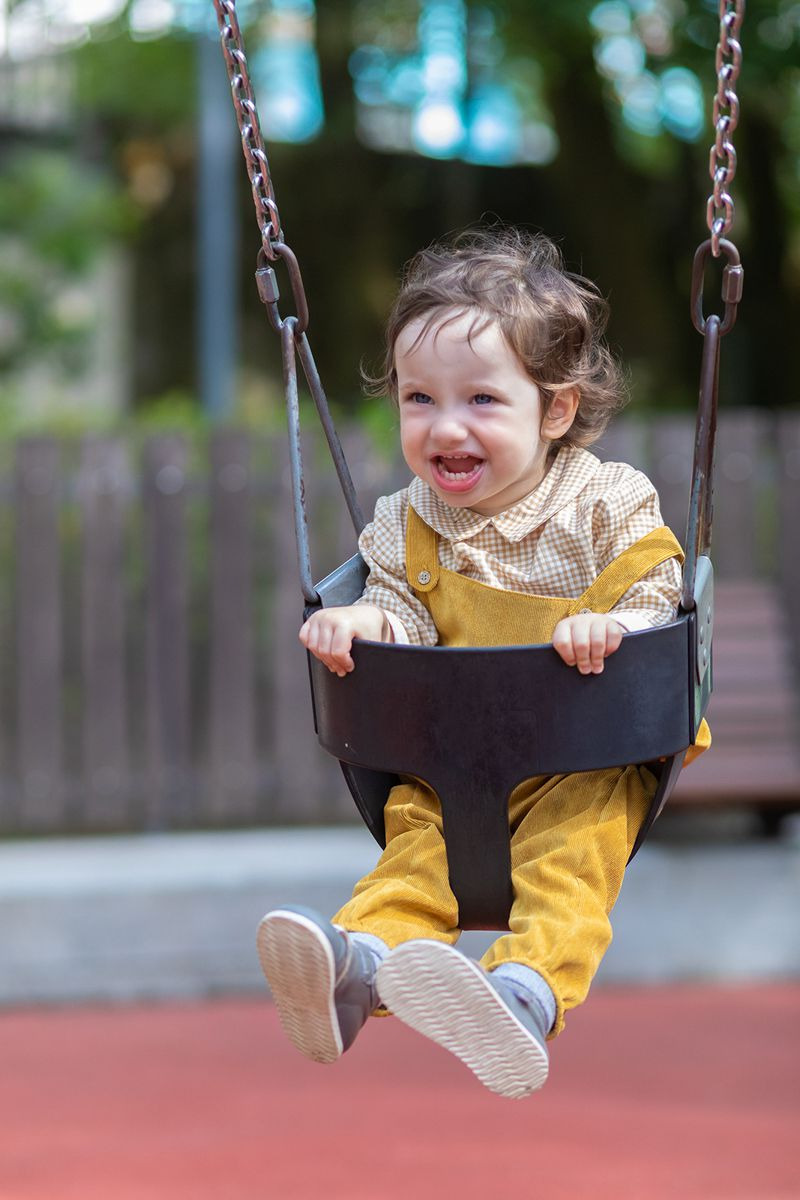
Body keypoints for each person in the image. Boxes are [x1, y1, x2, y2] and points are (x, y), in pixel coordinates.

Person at [257, 228, 706, 1100]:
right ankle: (356, 969)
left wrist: (612, 625)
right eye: (419, 397)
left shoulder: (605, 502)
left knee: (570, 864)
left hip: (585, 756)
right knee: (413, 852)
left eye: (481, 402)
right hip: (453, 761)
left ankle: (522, 995)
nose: (444, 426)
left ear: (557, 410)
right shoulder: (403, 521)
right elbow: (401, 614)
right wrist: (358, 620)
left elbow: (662, 590)